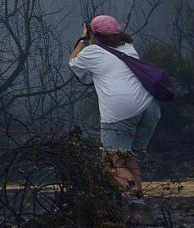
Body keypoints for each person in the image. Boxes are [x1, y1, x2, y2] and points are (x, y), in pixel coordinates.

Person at [69, 14, 161, 201]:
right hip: (149, 108)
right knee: (127, 157)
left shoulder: (92, 52)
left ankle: (134, 199)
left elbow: (73, 62)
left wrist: (82, 39)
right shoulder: (128, 47)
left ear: (95, 34)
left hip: (122, 112)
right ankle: (137, 206)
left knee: (111, 164)